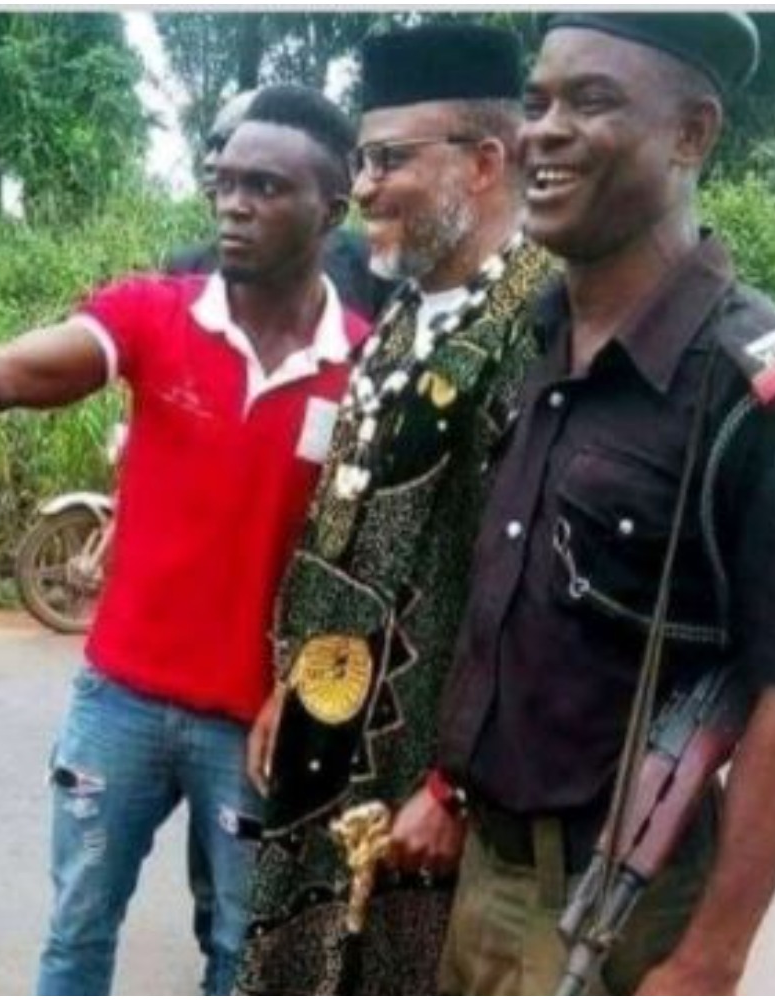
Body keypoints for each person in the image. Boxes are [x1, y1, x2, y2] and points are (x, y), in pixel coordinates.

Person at [0, 87, 368, 996]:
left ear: (332, 209)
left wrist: (307, 689)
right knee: (78, 937)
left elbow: (368, 563)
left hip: (257, 723)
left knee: (242, 956)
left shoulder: (366, 364)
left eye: (265, 186)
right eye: (224, 183)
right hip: (119, 703)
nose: (234, 205)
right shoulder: (152, 317)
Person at [421, 13, 775, 995]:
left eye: (589, 102)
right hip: (482, 880)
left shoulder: (772, 393)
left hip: (621, 909)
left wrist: (707, 960)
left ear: (690, 135)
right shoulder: (534, 337)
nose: (542, 131)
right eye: (537, 101)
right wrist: (447, 787)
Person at [235, 25, 558, 996]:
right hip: (328, 725)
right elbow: (346, 520)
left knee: (393, 967)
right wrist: (288, 680)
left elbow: (527, 586)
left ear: (486, 160)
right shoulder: (409, 313)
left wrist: (453, 782)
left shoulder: (540, 329)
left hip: (422, 763)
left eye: (385, 160)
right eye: (357, 162)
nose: (362, 187)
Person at [166, 89, 393, 321]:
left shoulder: (373, 268)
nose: (211, 161)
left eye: (225, 143)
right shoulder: (185, 268)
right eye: (210, 146)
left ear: (333, 211)